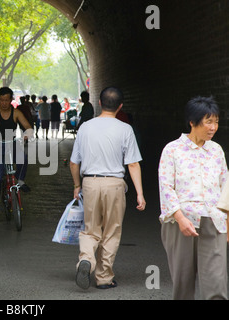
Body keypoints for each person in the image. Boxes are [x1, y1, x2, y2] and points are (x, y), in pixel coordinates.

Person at [70, 87, 146, 290]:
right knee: (111, 231)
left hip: (90, 183)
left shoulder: (85, 127)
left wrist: (77, 185)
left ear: (100, 104)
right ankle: (104, 277)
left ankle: (86, 260)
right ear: (120, 106)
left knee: (90, 229)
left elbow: (74, 162)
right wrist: (139, 193)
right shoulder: (125, 129)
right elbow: (132, 164)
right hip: (114, 185)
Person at [159, 96, 228, 300]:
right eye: (208, 121)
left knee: (217, 283)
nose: (213, 127)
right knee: (183, 284)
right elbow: (166, 187)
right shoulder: (172, 150)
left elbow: (226, 185)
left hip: (214, 222)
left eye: (216, 121)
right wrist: (180, 218)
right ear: (192, 122)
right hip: (180, 222)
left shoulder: (216, 150)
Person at [0, 87, 34, 216]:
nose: (4, 103)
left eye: (6, 100)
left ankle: (20, 181)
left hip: (12, 143)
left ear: (11, 100)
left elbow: (27, 126)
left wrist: (27, 134)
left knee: (23, 158)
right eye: (2, 100)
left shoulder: (16, 113)